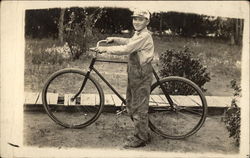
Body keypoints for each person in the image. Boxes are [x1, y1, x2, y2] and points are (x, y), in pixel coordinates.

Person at [91, 9, 155, 148]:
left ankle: (141, 138)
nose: (136, 22)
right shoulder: (139, 34)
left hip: (141, 73)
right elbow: (130, 41)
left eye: (140, 19)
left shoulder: (145, 36)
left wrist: (105, 50)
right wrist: (115, 38)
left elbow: (126, 49)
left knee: (139, 107)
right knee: (131, 103)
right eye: (135, 19)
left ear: (147, 21)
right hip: (134, 72)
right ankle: (144, 132)